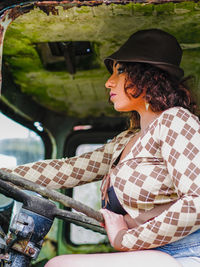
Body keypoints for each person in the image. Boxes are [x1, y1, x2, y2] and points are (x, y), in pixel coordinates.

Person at [2, 29, 200, 267]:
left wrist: (125, 238)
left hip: (184, 253)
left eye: (121, 70)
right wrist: (8, 176)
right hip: (151, 253)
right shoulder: (126, 141)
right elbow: (68, 170)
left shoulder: (176, 120)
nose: (109, 81)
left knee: (58, 265)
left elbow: (197, 202)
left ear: (148, 77)